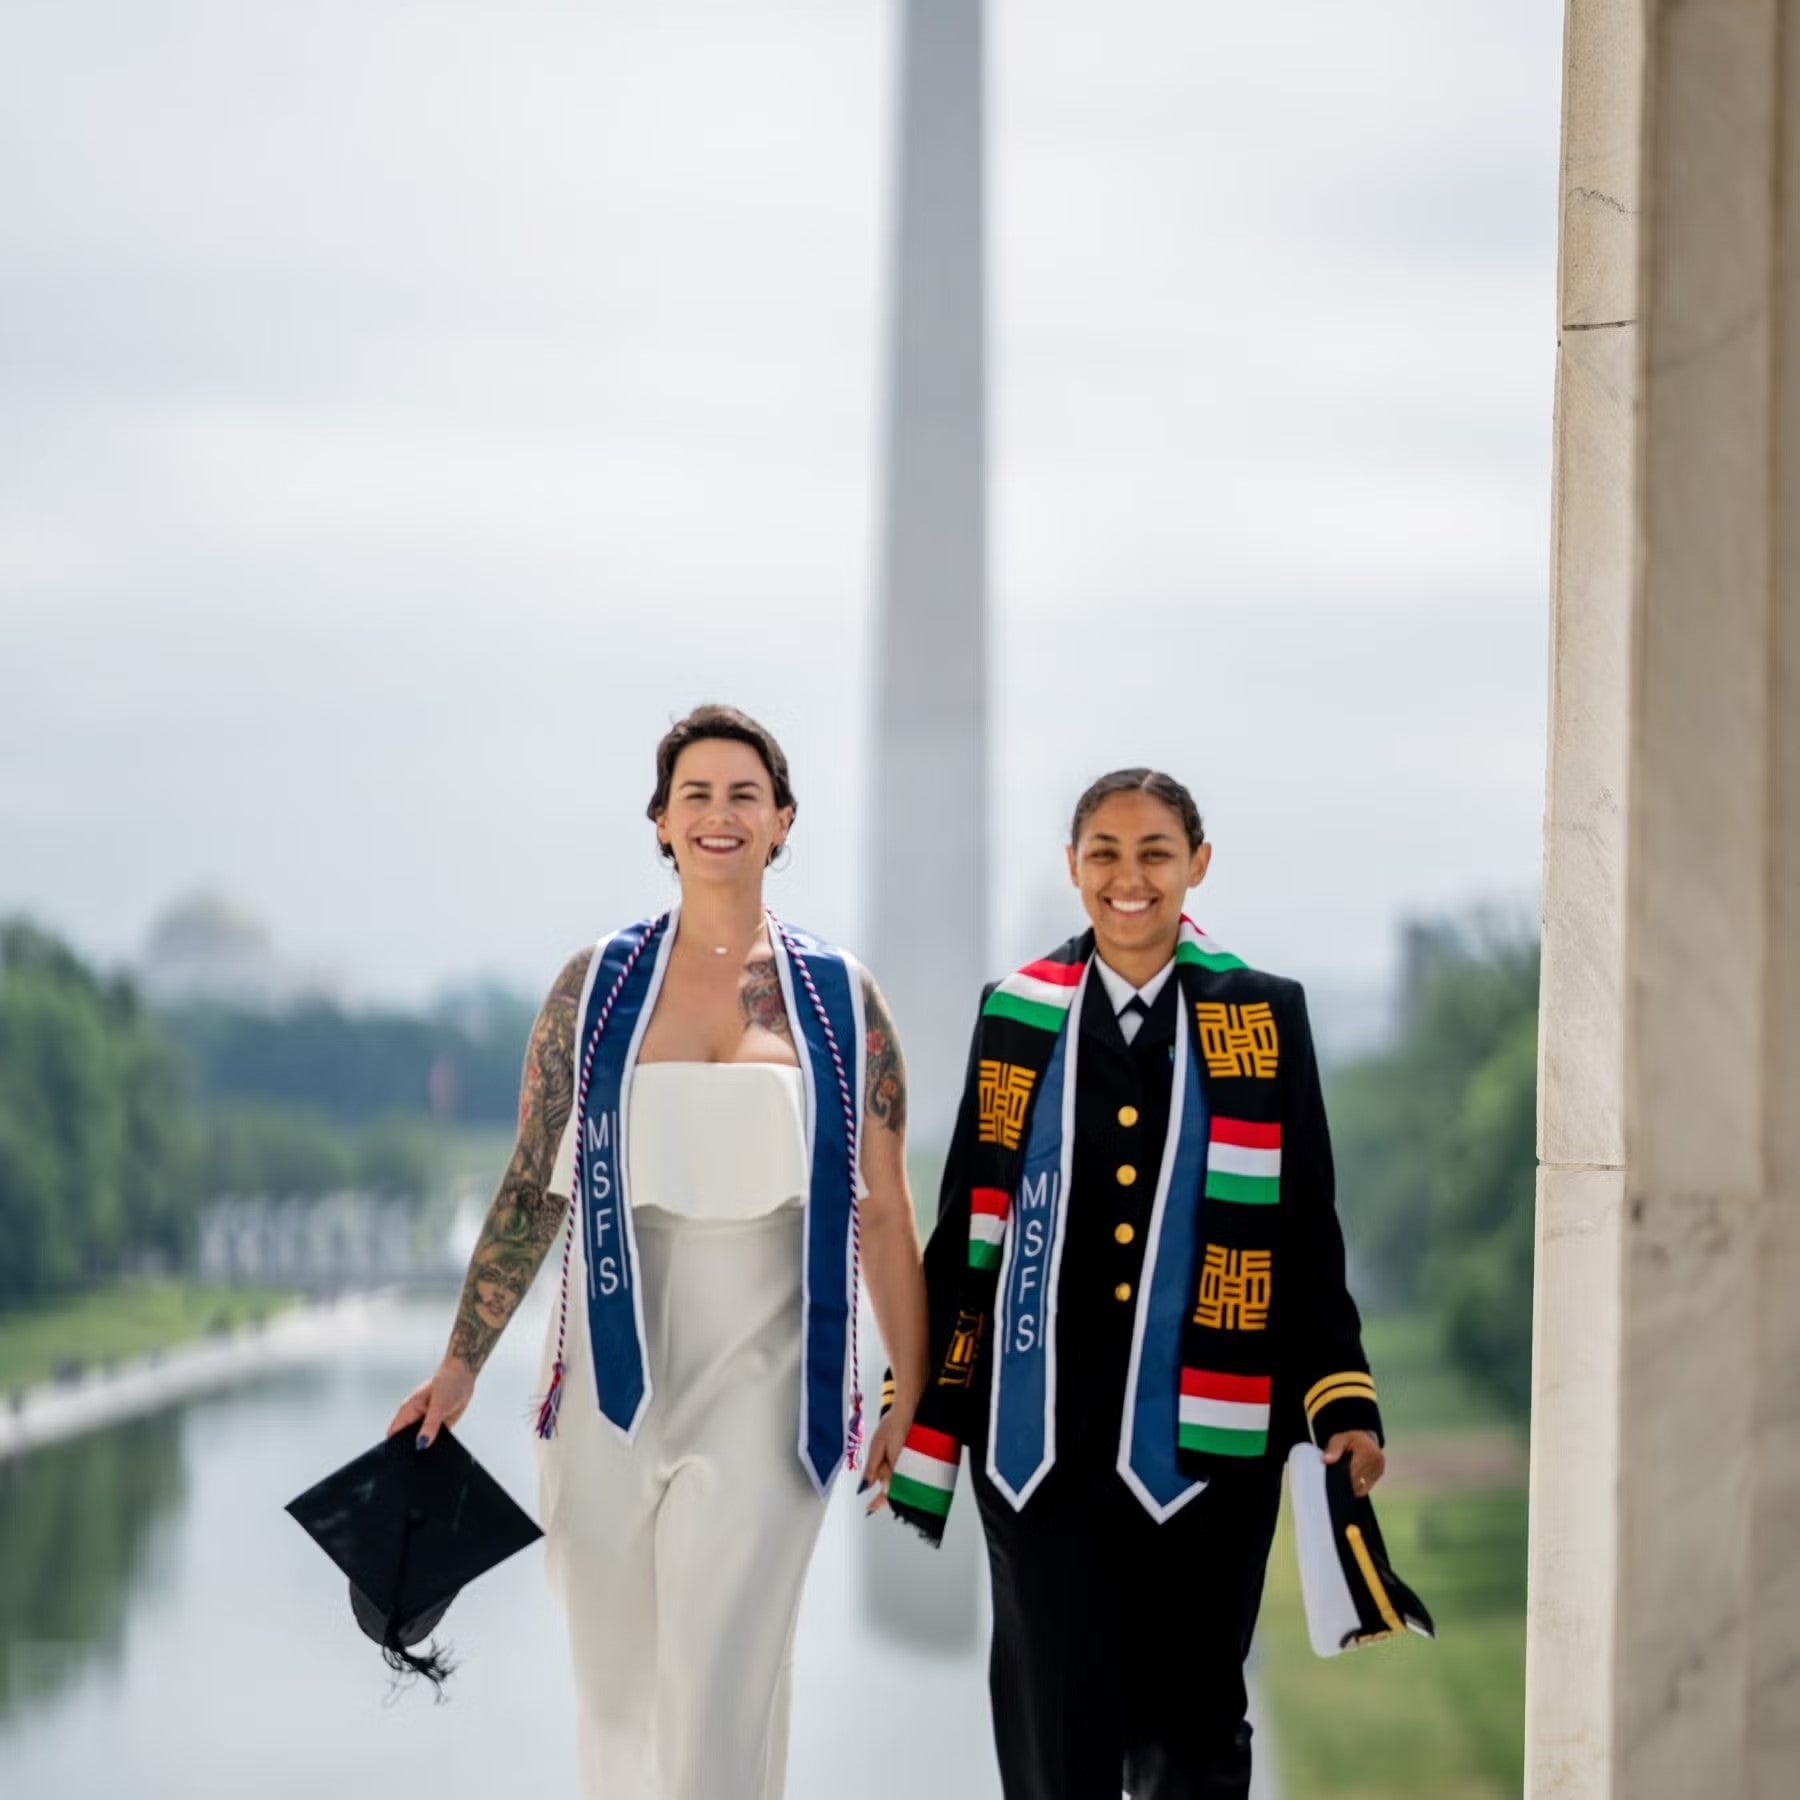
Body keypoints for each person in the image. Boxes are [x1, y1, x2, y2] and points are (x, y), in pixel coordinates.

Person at [389, 703, 928, 1799]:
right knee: (622, 1702)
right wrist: (461, 1362)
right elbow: (530, 1189)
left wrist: (911, 1381)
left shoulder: (841, 1002)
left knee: (721, 1692)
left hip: (773, 1380)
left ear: (783, 822)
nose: (720, 815)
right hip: (607, 1381)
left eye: (744, 795)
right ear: (660, 823)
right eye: (697, 795)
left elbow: (881, 1206)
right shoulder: (591, 989)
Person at [881, 768, 1385, 1799]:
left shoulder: (1262, 1015)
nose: (1129, 877)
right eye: (1104, 853)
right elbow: (967, 1217)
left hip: (1211, 1445)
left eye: (1155, 852)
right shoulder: (1016, 1014)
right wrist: (910, 1391)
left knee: (1195, 1736)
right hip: (1039, 1448)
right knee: (1054, 1736)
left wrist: (1343, 1399)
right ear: (1074, 869)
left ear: (1197, 865)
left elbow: (1304, 1229)